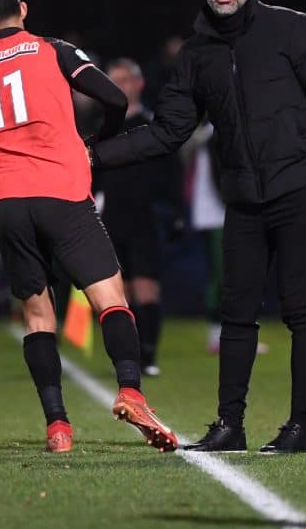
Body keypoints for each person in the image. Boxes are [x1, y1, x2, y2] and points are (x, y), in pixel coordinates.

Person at [90, 0, 306, 453]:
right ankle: (230, 425)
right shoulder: (198, 54)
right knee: (236, 313)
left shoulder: (293, 29)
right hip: (244, 198)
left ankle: (303, 427)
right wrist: (94, 156)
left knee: (300, 308)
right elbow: (167, 131)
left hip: (298, 190)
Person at [0, 0, 178, 454]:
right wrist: (100, 143)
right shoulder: (52, 50)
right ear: (24, 10)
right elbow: (114, 98)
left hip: (8, 200)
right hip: (61, 190)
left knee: (37, 316)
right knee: (110, 296)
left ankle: (58, 428)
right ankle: (132, 391)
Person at [92, 57, 182, 377]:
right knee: (120, 292)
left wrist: (176, 213)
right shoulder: (103, 129)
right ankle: (128, 358)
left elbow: (171, 171)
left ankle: (149, 355)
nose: (120, 86)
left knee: (146, 288)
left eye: (125, 79)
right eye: (113, 80)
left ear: (138, 84)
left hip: (145, 217)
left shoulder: (153, 125)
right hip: (111, 217)